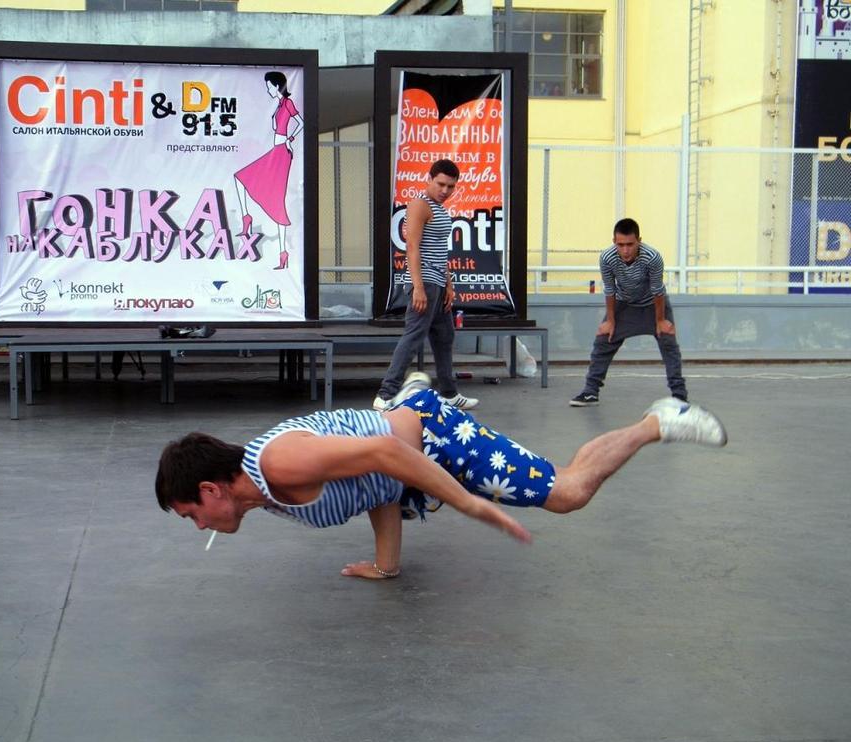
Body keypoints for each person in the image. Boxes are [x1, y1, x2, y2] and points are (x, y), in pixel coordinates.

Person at [155, 373, 727, 580]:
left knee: (567, 493)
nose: (197, 525)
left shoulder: (277, 466)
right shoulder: (263, 495)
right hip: (405, 454)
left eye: (190, 515)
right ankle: (407, 397)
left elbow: (386, 454)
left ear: (209, 490)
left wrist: (469, 504)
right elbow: (374, 488)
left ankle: (657, 421)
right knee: (389, 445)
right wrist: (387, 566)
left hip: (434, 438)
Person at [374, 158, 476, 412]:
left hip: (438, 282)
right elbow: (412, 247)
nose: (445, 190)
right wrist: (418, 287)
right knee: (414, 336)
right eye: (441, 184)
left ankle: (449, 394)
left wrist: (449, 284)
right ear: (429, 179)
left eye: (451, 186)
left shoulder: (440, 209)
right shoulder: (420, 205)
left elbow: (440, 250)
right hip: (425, 281)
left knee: (445, 336)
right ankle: (385, 395)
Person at [570, 218, 687, 407]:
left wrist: (660, 321)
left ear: (639, 241)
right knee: (604, 339)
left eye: (630, 245)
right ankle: (590, 392)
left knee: (668, 342)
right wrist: (610, 320)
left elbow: (657, 290)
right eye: (620, 245)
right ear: (614, 242)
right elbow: (610, 289)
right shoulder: (607, 258)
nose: (625, 250)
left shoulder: (652, 257)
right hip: (624, 304)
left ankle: (679, 396)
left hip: (653, 304)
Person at [234, 71, 304, 270]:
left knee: (278, 201)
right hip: (276, 150)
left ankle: (283, 254)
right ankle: (246, 218)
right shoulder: (279, 105)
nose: (267, 90)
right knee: (240, 177)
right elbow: (276, 127)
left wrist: (290, 139)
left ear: (277, 86)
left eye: (269, 86)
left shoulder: (288, 103)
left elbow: (301, 123)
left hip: (282, 152)